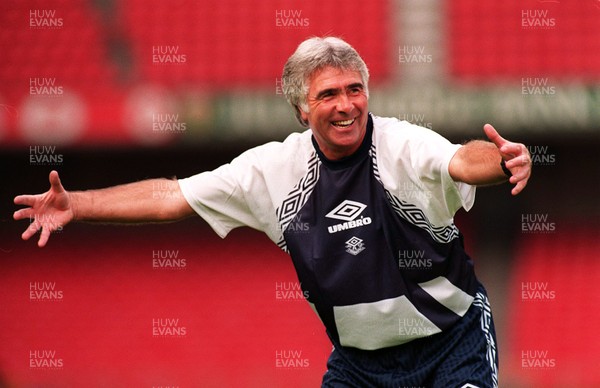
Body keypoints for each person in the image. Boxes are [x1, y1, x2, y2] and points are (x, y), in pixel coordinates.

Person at [14, 37, 531, 387]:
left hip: (451, 342)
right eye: (328, 94)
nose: (347, 104)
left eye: (355, 89)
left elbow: (463, 161)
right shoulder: (272, 171)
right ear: (301, 108)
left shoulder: (403, 144)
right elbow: (173, 196)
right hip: (360, 368)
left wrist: (504, 160)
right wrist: (77, 204)